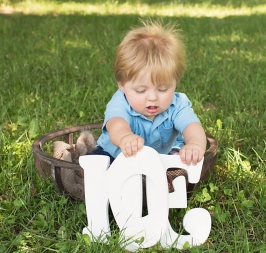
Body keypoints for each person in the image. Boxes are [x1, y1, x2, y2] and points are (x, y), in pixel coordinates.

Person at [87, 19, 206, 167]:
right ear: (122, 85)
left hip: (159, 159)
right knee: (94, 166)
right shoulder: (120, 102)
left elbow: (192, 127)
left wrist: (195, 144)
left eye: (162, 89)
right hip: (115, 156)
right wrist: (125, 137)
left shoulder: (177, 104)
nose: (152, 98)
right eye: (141, 90)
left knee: (180, 162)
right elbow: (116, 125)